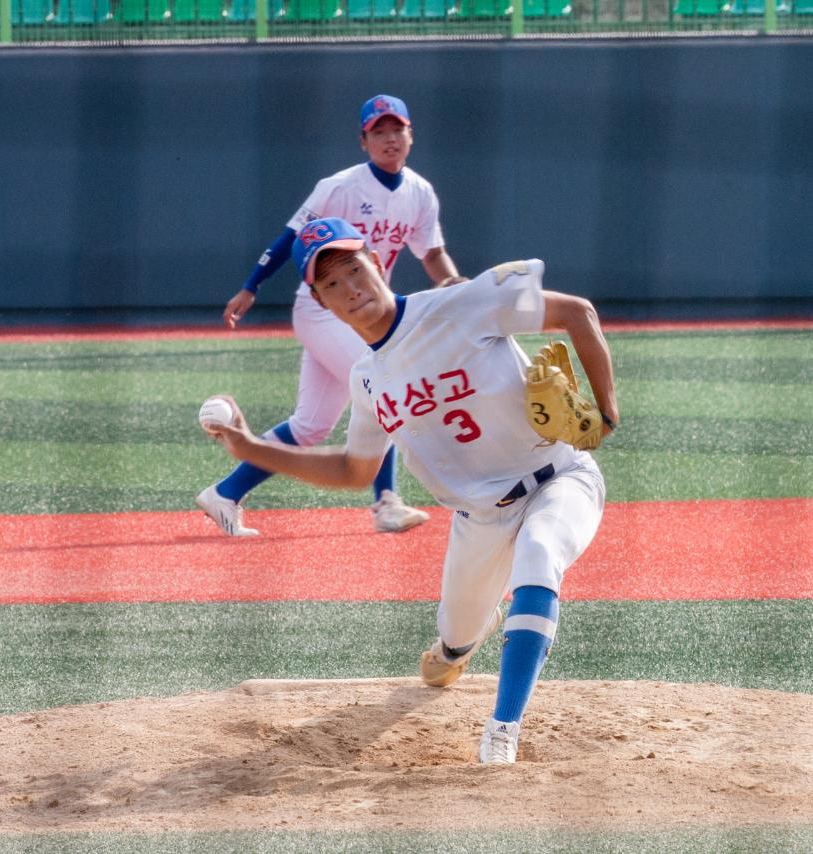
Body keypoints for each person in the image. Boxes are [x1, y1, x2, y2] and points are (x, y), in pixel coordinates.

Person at [204, 218, 620, 765]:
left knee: (541, 552)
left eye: (354, 268)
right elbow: (356, 470)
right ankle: (456, 648)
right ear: (322, 306)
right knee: (455, 635)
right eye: (331, 284)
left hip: (562, 477)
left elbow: (577, 312)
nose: (350, 287)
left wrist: (607, 412)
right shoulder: (367, 377)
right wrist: (249, 449)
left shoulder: (458, 303)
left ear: (377, 264)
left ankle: (502, 731)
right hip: (479, 519)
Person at [197, 93, 469, 538]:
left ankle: (224, 494)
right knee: (387, 380)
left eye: (396, 129)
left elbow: (433, 253)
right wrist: (251, 285)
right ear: (363, 141)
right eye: (378, 131)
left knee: (310, 425)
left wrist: (454, 287)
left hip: (363, 310)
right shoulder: (340, 186)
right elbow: (289, 236)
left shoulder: (420, 193)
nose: (389, 139)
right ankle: (386, 503)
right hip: (321, 310)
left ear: (410, 135)